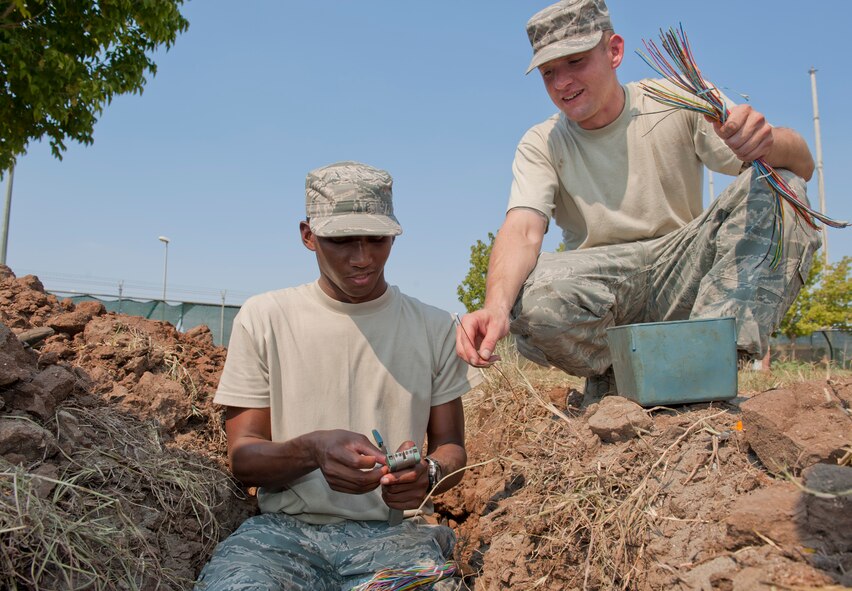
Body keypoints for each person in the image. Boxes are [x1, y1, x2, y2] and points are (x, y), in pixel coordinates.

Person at [456, 0, 821, 401]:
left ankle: (705, 369)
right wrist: (494, 306)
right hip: (604, 292)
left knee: (780, 186)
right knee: (532, 300)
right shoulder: (542, 142)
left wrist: (768, 140)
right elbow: (523, 229)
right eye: (548, 73)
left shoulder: (678, 99)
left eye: (575, 61)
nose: (561, 82)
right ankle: (617, 375)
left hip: (682, 269)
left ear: (614, 51)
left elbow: (800, 166)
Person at [195, 161, 482, 590]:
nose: (362, 258)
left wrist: (429, 474)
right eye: (342, 240)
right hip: (281, 540)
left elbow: (451, 449)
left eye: (378, 239)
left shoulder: (434, 327)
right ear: (308, 236)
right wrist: (311, 451)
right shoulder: (265, 318)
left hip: (397, 536)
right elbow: (244, 459)